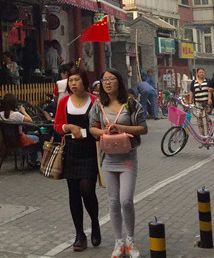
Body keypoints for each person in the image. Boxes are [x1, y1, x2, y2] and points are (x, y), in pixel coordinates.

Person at [90, 69, 148, 258]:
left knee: (126, 200)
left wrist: (120, 127)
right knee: (114, 201)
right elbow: (92, 128)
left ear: (119, 81)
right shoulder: (98, 105)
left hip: (128, 158)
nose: (107, 83)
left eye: (111, 79)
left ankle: (130, 239)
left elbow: (143, 129)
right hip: (108, 158)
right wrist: (104, 133)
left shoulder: (131, 104)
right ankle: (119, 242)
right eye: (104, 80)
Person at [53, 67, 99, 253]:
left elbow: (101, 122)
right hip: (71, 150)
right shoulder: (64, 101)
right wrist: (69, 126)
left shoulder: (95, 101)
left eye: (76, 80)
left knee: (87, 189)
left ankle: (95, 222)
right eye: (70, 80)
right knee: (73, 193)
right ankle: (80, 234)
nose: (73, 84)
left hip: (89, 150)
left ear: (84, 82)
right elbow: (56, 125)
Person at [0, 93, 40, 167]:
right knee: (37, 138)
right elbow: (30, 120)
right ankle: (34, 161)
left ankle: (30, 160)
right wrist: (23, 111)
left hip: (7, 140)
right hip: (19, 139)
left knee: (30, 136)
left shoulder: (0, 115)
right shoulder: (16, 115)